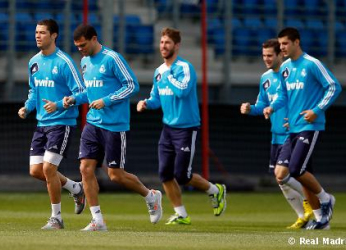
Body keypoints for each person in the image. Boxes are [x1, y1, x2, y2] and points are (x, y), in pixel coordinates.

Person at [64, 24, 162, 231]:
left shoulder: (112, 58)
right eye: (77, 46)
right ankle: (97, 221)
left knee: (115, 175)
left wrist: (107, 100)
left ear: (94, 39)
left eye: (83, 45)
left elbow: (132, 85)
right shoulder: (84, 62)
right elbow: (90, 93)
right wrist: (73, 99)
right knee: (85, 168)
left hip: (115, 126)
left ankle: (151, 196)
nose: (80, 49)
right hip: (93, 123)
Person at [136, 27, 226, 225]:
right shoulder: (159, 71)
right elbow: (156, 98)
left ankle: (215, 190)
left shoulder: (184, 68)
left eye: (167, 43)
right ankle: (182, 215)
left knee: (182, 175)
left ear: (176, 45)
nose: (163, 46)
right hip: (167, 129)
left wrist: (169, 76)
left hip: (186, 128)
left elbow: (183, 92)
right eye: (161, 42)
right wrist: (146, 104)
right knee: (165, 174)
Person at [263, 27, 342, 230]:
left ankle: (326, 199)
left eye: (285, 43)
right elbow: (283, 95)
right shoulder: (286, 68)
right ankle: (321, 220)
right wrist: (273, 107)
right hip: (293, 127)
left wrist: (316, 110)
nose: (282, 48)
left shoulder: (312, 64)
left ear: (297, 42)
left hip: (310, 125)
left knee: (297, 169)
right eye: (280, 44)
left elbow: (334, 86)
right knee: (291, 173)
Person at [18, 19, 87, 230]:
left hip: (61, 123)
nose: (38, 36)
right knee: (36, 171)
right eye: (36, 32)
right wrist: (27, 107)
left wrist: (58, 104)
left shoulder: (64, 62)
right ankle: (76, 188)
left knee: (48, 168)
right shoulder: (33, 62)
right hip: (41, 124)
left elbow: (83, 93)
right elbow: (33, 91)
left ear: (54, 35)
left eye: (42, 33)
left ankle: (56, 218)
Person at [240, 39, 313, 229]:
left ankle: (315, 200)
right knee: (281, 180)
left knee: (286, 175)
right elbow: (262, 106)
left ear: (280, 54)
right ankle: (303, 216)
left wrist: (295, 118)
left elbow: (303, 100)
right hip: (276, 135)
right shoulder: (265, 78)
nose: (266, 59)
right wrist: (250, 109)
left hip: (293, 134)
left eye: (270, 55)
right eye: (264, 55)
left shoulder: (291, 75)